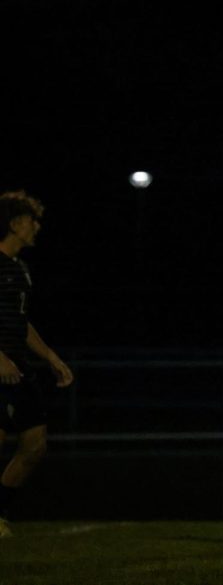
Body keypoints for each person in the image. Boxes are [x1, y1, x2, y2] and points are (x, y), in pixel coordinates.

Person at [0, 191, 74, 538]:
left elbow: (21, 321)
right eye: (32, 220)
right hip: (1, 366)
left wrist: (51, 357)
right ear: (14, 224)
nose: (37, 227)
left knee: (35, 444)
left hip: (19, 368)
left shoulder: (20, 269)